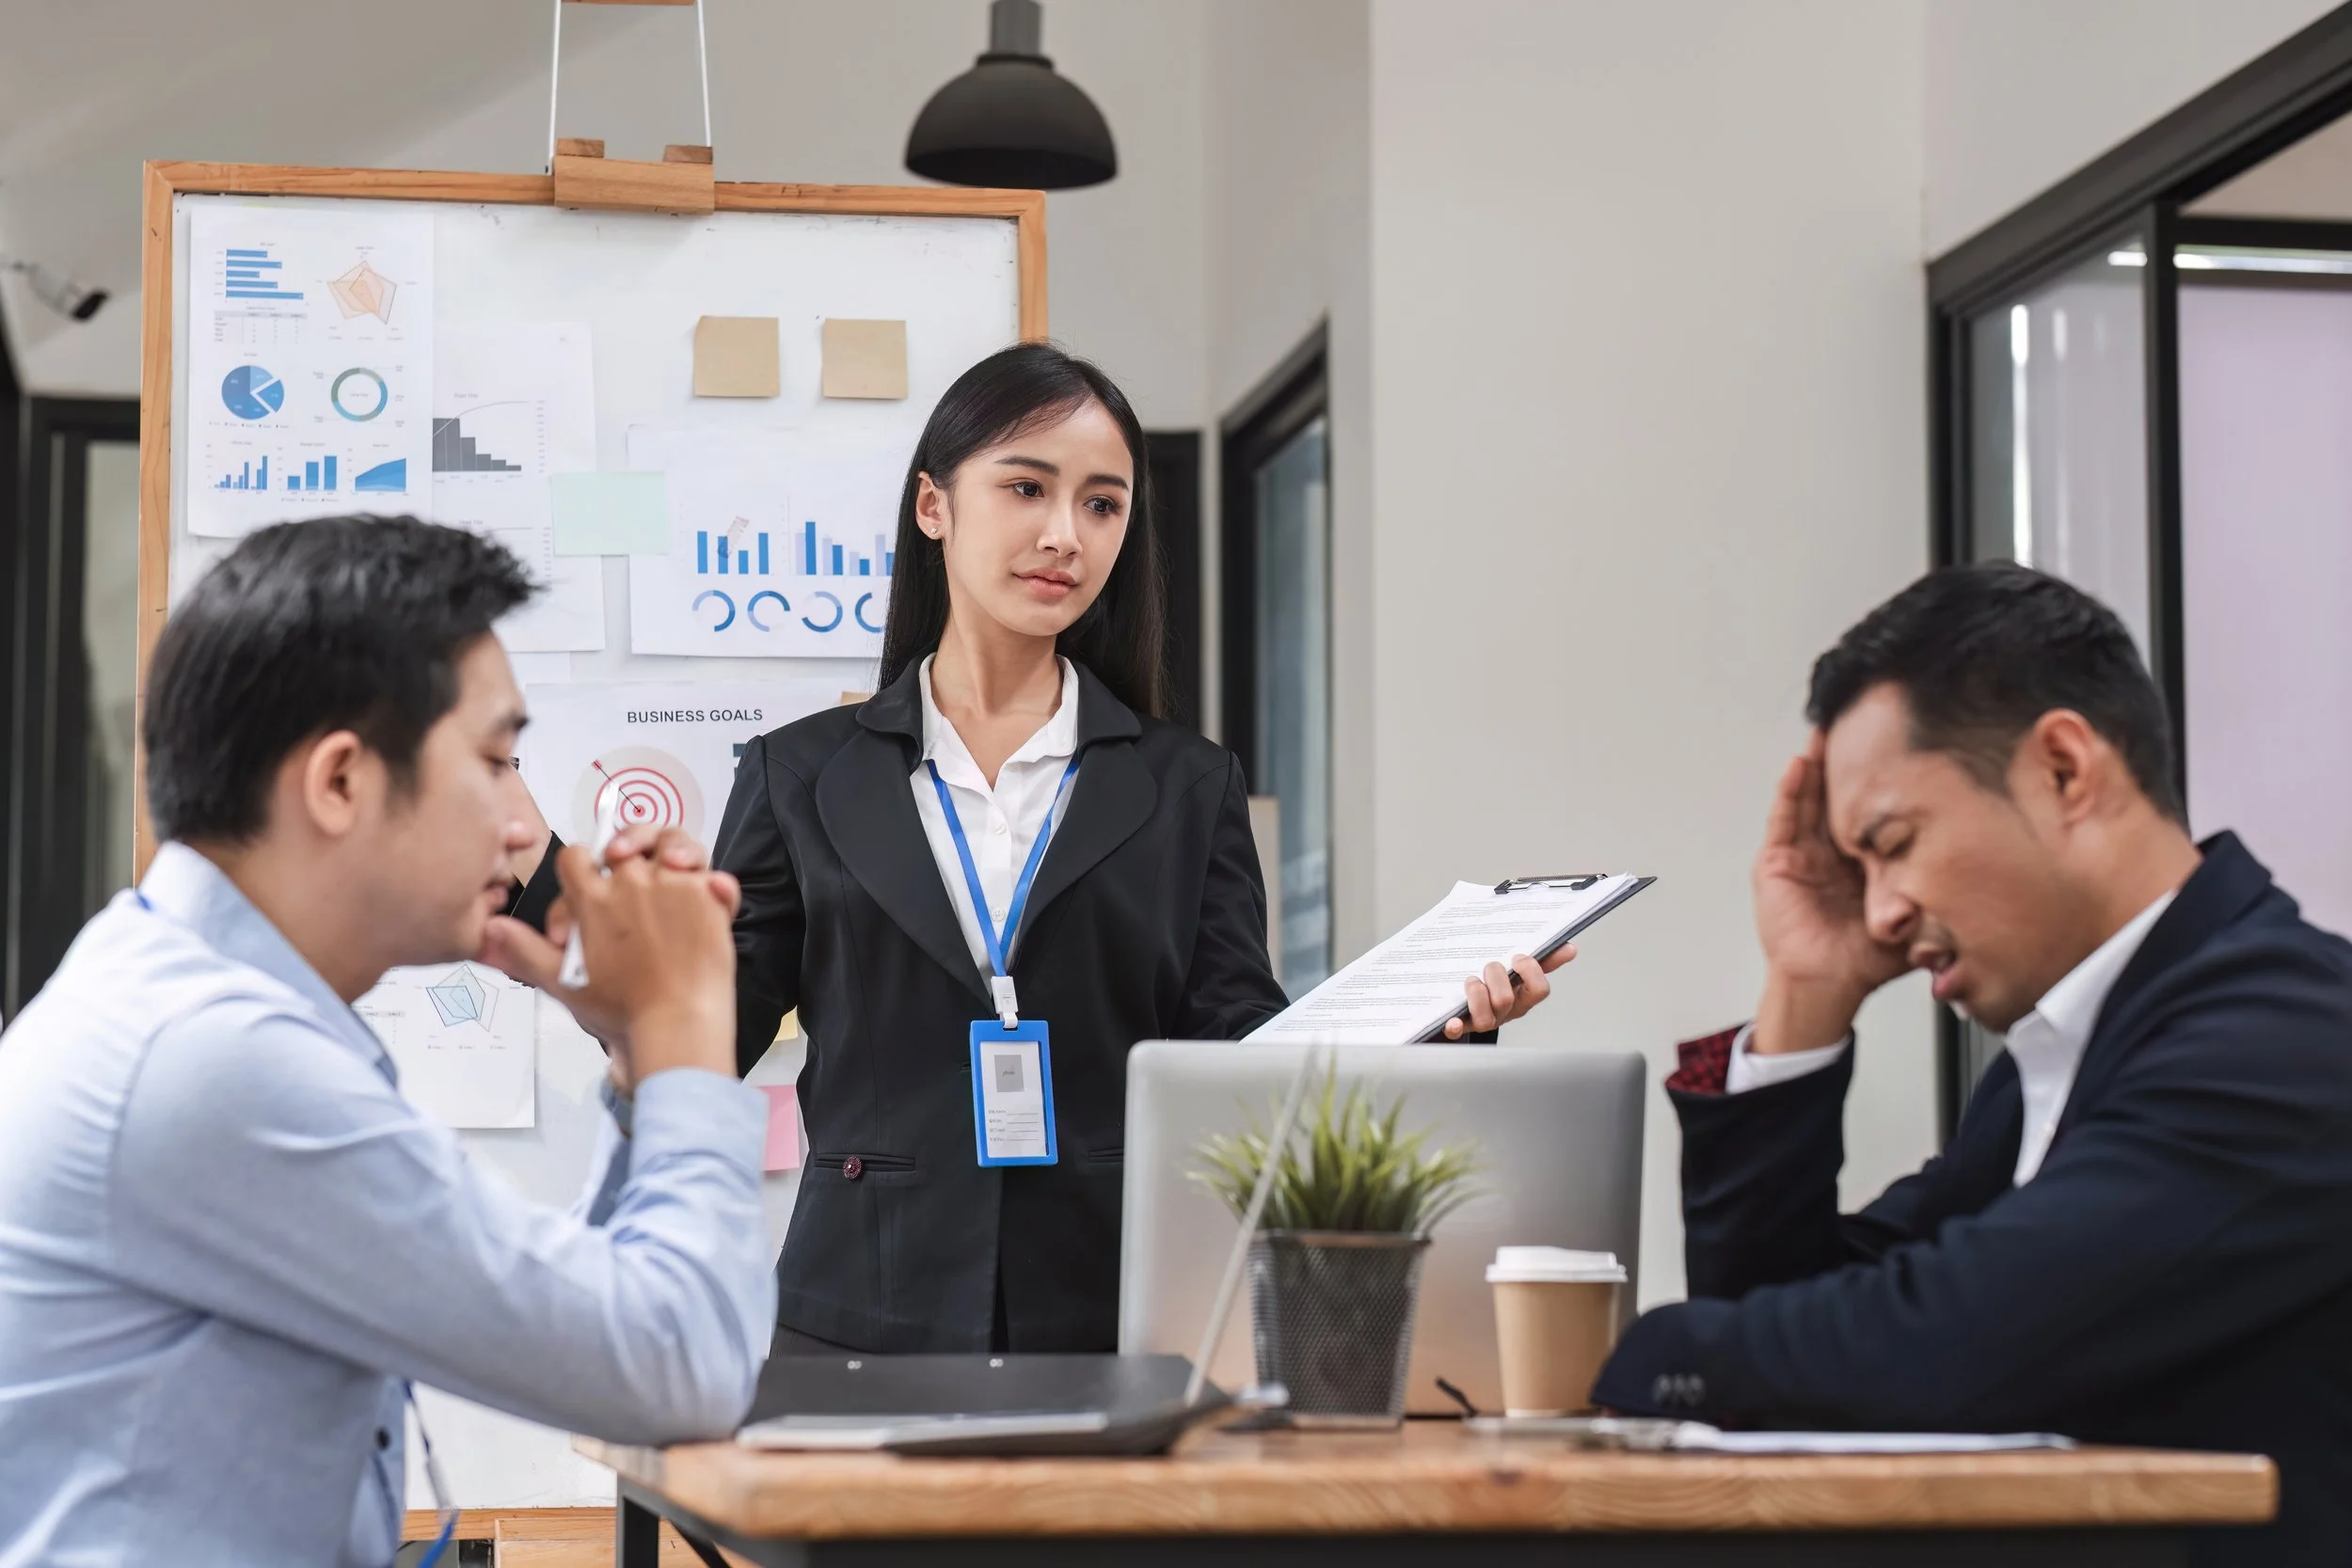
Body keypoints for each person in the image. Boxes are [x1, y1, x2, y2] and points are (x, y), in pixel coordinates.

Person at [716, 342, 1569, 1355]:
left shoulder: (1183, 784)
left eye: (1102, 504)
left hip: (1116, 1311)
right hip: (856, 1308)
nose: (1062, 534)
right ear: (933, 505)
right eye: (1026, 486)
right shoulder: (800, 774)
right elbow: (705, 1037)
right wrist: (578, 916)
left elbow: (1239, 1053)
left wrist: (1444, 1028)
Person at [0, 518, 774, 1568]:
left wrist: (644, 1057)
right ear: (340, 781)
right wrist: (688, 1021)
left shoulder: (189, 1000)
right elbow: (676, 1365)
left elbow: (611, 1343)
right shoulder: (214, 1060)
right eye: (496, 759)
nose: (524, 822)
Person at [1591, 563, 2352, 1566]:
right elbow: (1803, 1327)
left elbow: (1946, 1344)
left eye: (1893, 843)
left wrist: (1649, 1351)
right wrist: (1805, 990)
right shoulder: (2071, 1045)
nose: (1877, 913)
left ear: (2064, 770)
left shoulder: (2282, 1033)